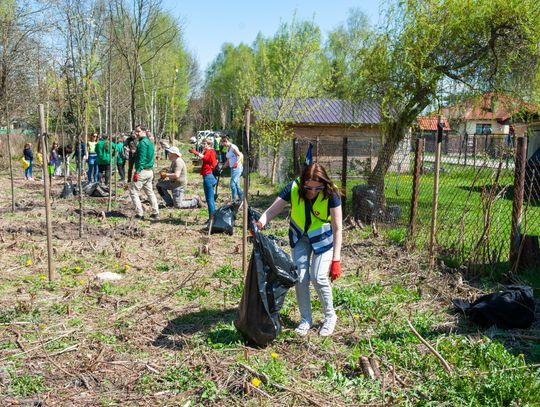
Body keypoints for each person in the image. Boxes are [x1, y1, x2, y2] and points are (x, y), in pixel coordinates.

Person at [257, 163, 343, 337]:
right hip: (300, 237)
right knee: (301, 278)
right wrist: (260, 223)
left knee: (318, 277)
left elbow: (338, 228)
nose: (313, 191)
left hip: (322, 239)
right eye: (309, 187)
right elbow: (274, 209)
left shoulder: (331, 192)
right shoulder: (294, 188)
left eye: (318, 187)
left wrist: (336, 260)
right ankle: (306, 319)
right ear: (303, 182)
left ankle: (330, 316)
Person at [129, 124, 159, 220]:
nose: (136, 133)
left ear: (144, 131)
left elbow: (141, 159)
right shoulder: (150, 142)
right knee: (150, 192)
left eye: (138, 131)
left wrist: (137, 172)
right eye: (136, 131)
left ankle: (139, 214)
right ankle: (155, 212)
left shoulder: (142, 143)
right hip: (150, 171)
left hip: (142, 171)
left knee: (133, 191)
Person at [190, 138, 218, 221]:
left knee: (209, 200)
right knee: (210, 199)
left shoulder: (210, 151)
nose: (203, 145)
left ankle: (212, 219)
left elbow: (205, 158)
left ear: (209, 144)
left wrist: (196, 152)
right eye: (202, 143)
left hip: (208, 176)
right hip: (210, 176)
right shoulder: (208, 151)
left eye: (204, 143)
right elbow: (203, 158)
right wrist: (201, 151)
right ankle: (212, 217)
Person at [220, 136, 244, 202]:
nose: (223, 144)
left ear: (226, 141)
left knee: (232, 184)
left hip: (237, 167)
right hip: (232, 168)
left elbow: (240, 155)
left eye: (223, 143)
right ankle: (241, 198)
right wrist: (223, 166)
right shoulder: (227, 148)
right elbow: (228, 159)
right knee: (236, 184)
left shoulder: (233, 147)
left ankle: (234, 199)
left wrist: (236, 162)